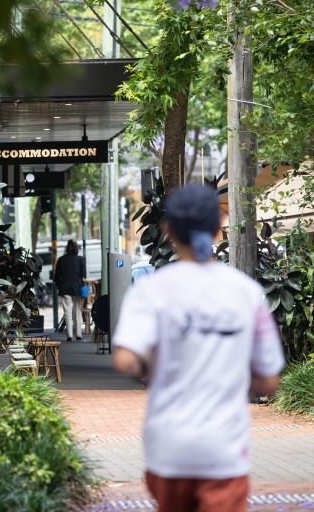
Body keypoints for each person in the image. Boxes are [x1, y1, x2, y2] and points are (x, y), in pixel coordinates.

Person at [112, 184, 285, 512]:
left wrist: (157, 365)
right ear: (218, 229)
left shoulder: (151, 291)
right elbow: (268, 381)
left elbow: (125, 361)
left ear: (167, 231)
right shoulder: (246, 293)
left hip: (168, 449)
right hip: (224, 450)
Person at [55, 239, 86, 341]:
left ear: (67, 248)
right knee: (77, 311)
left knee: (67, 311)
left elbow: (57, 276)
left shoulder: (61, 260)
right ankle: (78, 334)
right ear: (76, 249)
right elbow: (83, 274)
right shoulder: (81, 259)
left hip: (65, 288)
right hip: (77, 288)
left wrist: (59, 285)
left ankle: (69, 335)